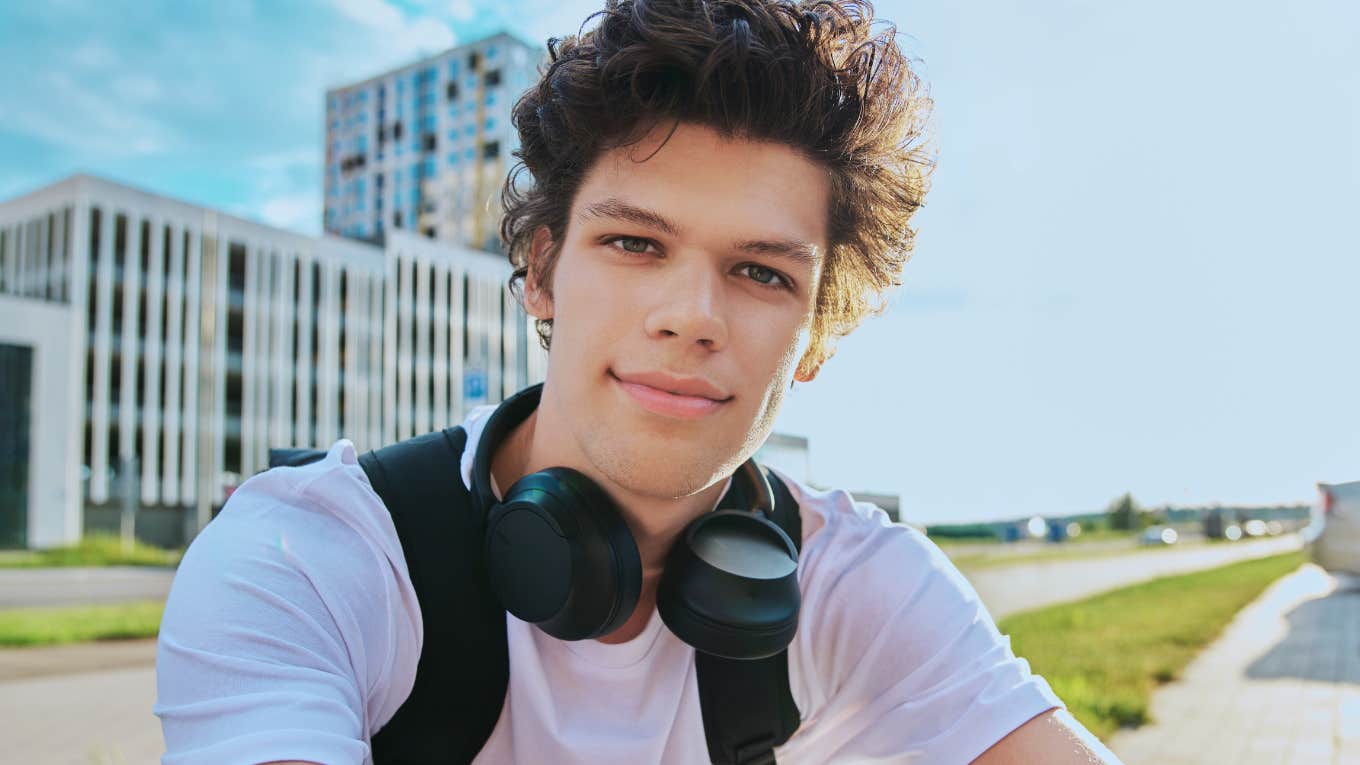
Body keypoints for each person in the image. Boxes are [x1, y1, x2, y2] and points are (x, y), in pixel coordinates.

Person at [155, 1, 1124, 763]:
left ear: (818, 336)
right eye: (633, 242)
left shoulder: (862, 587)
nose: (691, 315)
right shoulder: (305, 562)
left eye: (761, 272)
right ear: (541, 272)